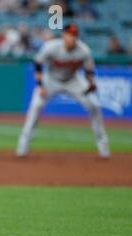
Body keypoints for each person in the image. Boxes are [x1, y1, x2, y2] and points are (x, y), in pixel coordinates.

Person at [17, 24, 110, 158]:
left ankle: (103, 146)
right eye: (69, 34)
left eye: (74, 35)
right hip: (51, 79)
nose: (72, 38)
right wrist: (40, 85)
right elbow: (37, 63)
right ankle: (23, 145)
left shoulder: (83, 50)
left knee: (94, 105)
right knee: (36, 106)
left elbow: (89, 70)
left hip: (73, 80)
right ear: (64, 35)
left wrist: (91, 82)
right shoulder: (51, 47)